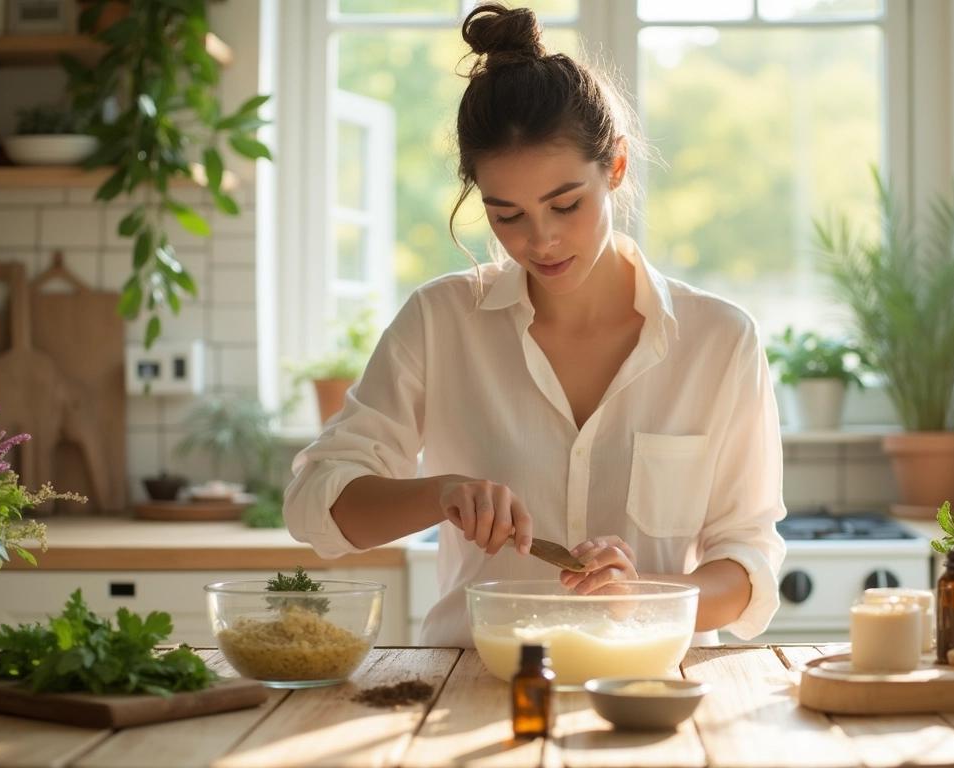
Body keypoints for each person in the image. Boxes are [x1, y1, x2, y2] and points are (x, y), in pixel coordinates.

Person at [284, 2, 786, 647]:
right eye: (507, 215)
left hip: (646, 686)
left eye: (566, 204)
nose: (541, 240)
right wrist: (441, 494)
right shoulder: (440, 322)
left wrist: (642, 594)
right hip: (471, 680)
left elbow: (748, 563)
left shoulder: (719, 340)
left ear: (617, 167)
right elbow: (315, 505)